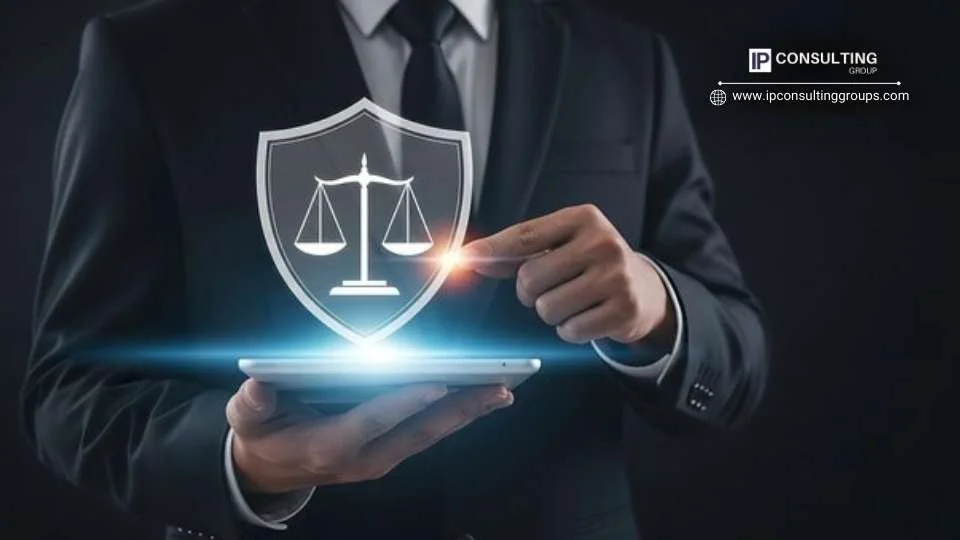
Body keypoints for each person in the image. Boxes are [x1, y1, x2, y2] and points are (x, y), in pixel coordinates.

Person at [21, 0, 768, 539]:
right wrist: (239, 461)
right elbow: (72, 388)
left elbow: (736, 357)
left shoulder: (625, 61)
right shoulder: (157, 55)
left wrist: (660, 311)